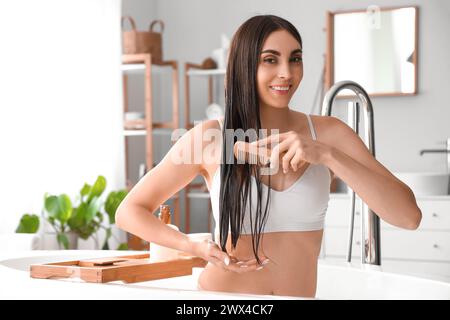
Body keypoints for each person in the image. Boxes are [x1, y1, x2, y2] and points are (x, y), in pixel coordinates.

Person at [116, 15, 422, 298]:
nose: (286, 73)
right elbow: (129, 211)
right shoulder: (211, 138)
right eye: (270, 60)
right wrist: (193, 246)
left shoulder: (329, 134)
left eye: (295, 59)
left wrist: (327, 155)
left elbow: (408, 217)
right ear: (244, 65)